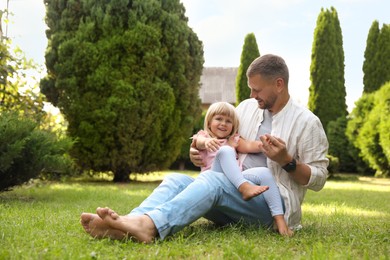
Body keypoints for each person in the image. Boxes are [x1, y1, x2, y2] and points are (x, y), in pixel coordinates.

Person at [80, 54, 328, 243]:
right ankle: (124, 224)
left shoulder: (306, 122)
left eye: (257, 89)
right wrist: (197, 152)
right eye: (250, 88)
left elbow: (318, 179)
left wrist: (287, 161)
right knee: (176, 180)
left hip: (272, 207)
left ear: (279, 84)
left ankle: (148, 227)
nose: (252, 95)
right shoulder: (246, 109)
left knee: (213, 183)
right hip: (232, 192)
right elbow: (220, 142)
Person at [193, 101, 291, 234]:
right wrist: (206, 142)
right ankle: (245, 188)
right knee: (225, 151)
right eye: (218, 119)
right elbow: (197, 143)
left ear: (233, 125)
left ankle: (279, 220)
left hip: (235, 180)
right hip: (213, 181)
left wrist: (264, 144)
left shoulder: (233, 140)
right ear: (209, 122)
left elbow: (250, 146)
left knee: (264, 172)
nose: (223, 123)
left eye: (228, 121)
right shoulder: (204, 137)